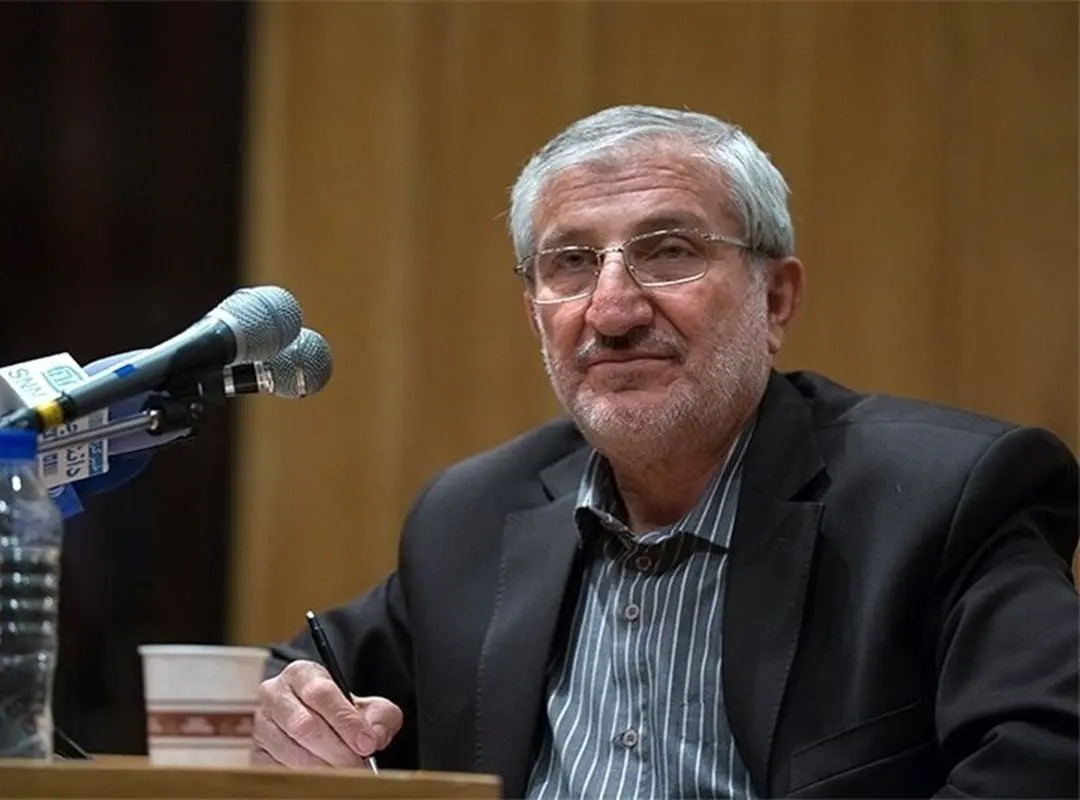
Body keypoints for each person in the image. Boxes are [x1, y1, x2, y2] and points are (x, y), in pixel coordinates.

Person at [251, 105, 1079, 798]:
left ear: (776, 299)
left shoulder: (944, 499)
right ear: (536, 316)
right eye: (571, 264)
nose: (612, 311)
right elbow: (283, 686)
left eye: (669, 252)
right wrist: (287, 714)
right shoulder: (472, 518)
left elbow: (1050, 760)